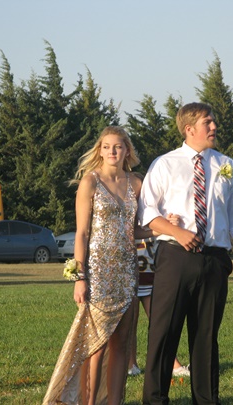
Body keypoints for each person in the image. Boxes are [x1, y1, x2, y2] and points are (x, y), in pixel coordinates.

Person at [138, 102, 233, 405]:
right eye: (208, 122)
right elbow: (146, 212)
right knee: (164, 334)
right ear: (189, 129)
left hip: (215, 260)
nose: (214, 127)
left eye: (213, 122)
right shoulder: (165, 164)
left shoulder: (227, 165)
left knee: (206, 337)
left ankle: (206, 400)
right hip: (176, 258)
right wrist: (177, 232)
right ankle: (155, 400)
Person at [43, 126, 155, 405]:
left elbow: (135, 229)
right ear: (100, 151)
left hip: (127, 271)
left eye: (118, 146)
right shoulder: (90, 182)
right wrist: (80, 277)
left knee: (122, 343)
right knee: (96, 344)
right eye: (106, 147)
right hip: (97, 273)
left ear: (127, 150)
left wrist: (164, 228)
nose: (112, 151)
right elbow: (82, 233)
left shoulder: (136, 183)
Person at [127, 235, 190, 378]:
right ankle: (131, 364)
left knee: (160, 322)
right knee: (130, 323)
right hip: (129, 271)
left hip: (153, 271)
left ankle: (172, 363)